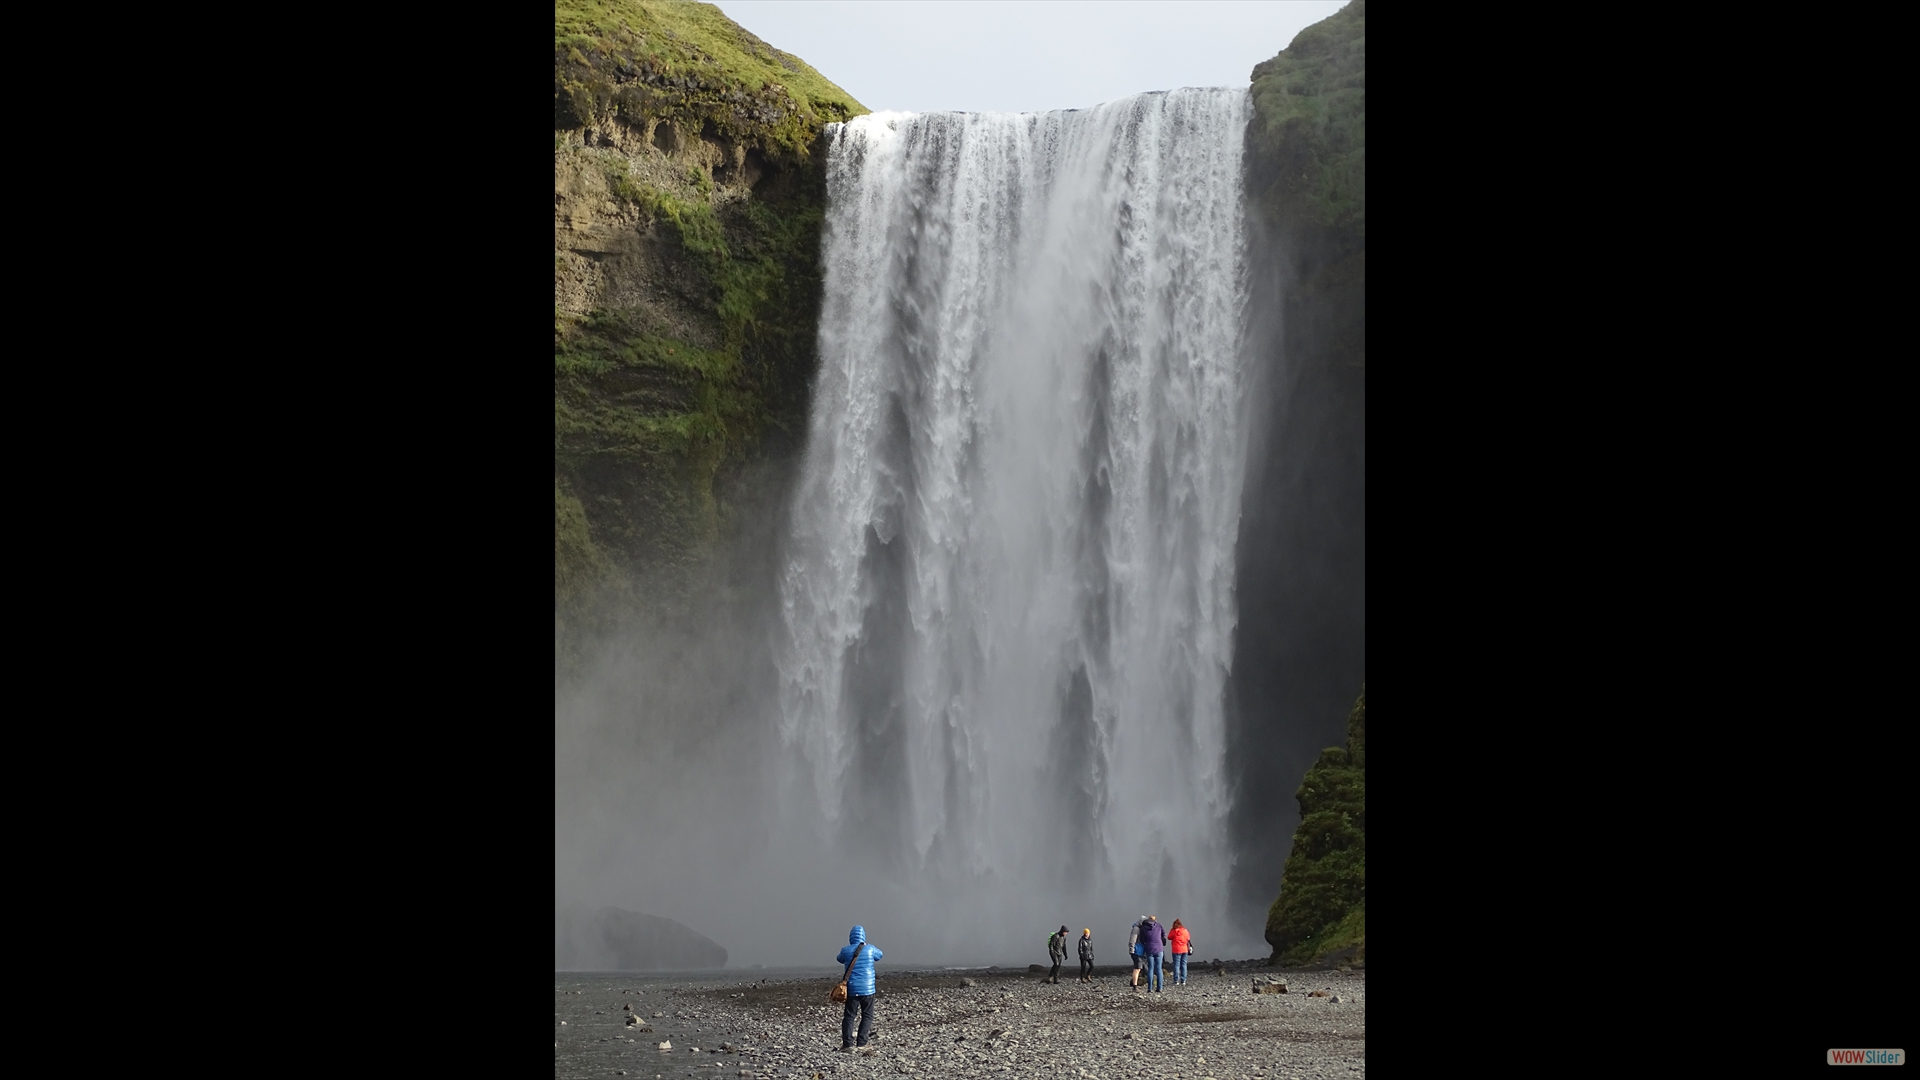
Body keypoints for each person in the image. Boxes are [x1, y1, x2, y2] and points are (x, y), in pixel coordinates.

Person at [834, 925, 884, 1050]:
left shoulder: (845, 950)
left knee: (850, 1016)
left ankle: (847, 1044)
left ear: (851, 937)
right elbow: (880, 955)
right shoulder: (870, 949)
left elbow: (839, 959)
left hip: (852, 988)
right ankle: (862, 1043)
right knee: (867, 1015)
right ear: (863, 936)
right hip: (868, 989)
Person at [1141, 915, 1166, 992]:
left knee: (1150, 968)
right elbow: (1164, 935)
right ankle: (1160, 987)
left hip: (1149, 949)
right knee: (1159, 968)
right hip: (1159, 948)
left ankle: (1150, 988)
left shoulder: (1144, 928)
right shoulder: (1159, 925)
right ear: (1155, 920)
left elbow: (1142, 939)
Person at [1169, 919, 1192, 986]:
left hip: (1176, 950)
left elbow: (1169, 937)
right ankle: (1183, 980)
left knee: (1176, 965)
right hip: (1185, 949)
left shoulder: (1174, 931)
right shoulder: (1185, 930)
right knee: (1184, 964)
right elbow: (1188, 938)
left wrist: (1172, 930)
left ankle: (1176, 980)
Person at [1128, 916, 1147, 989]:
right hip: (1137, 951)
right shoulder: (1136, 929)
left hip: (1140, 951)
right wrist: (1132, 950)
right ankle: (1135, 986)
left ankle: (1138, 983)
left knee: (1140, 968)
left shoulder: (1141, 929)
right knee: (1137, 968)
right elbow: (1132, 940)